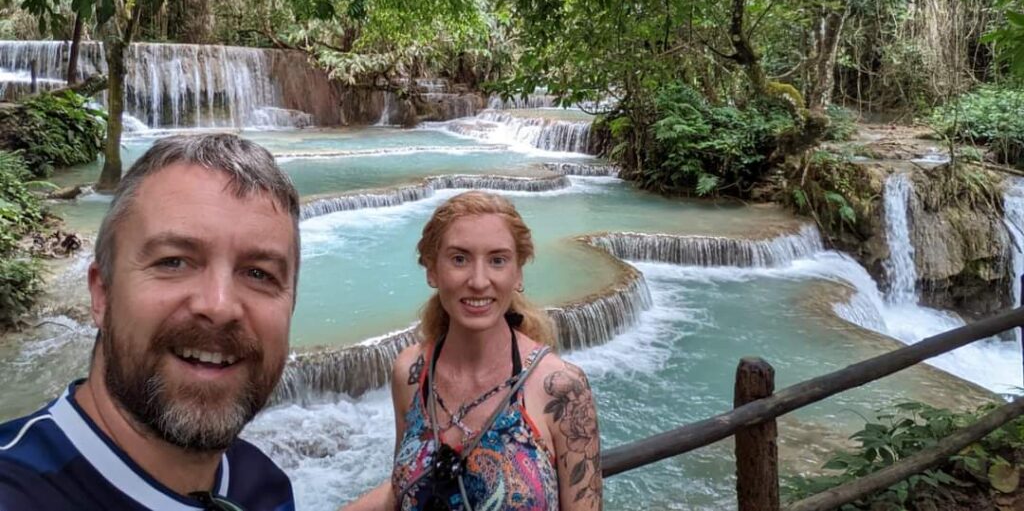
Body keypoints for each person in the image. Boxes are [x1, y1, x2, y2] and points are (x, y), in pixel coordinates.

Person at [0, 133, 301, 511]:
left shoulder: (263, 488)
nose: (220, 306)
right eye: (172, 261)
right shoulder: (16, 490)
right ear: (102, 294)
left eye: (259, 274)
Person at [347, 191, 602, 511]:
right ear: (432, 270)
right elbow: (402, 489)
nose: (479, 281)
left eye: (497, 260)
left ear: (518, 273)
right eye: (459, 259)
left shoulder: (562, 389)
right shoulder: (411, 373)